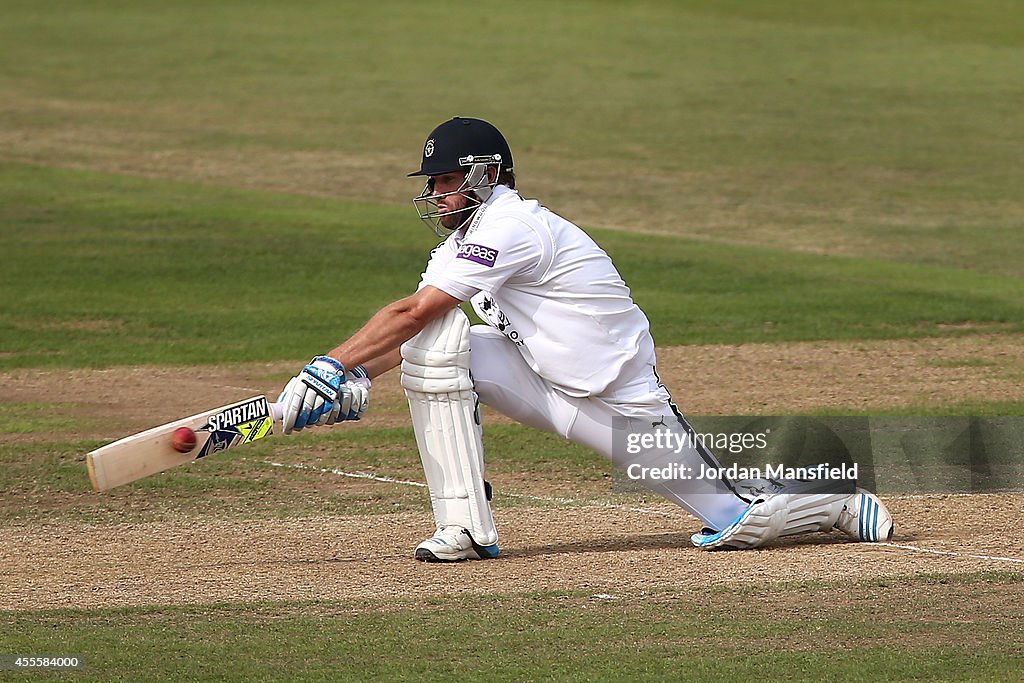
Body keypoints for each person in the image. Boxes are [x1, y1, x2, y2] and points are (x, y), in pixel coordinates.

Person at [277, 116, 895, 562]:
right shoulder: (463, 243)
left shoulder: (511, 226)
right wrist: (354, 377)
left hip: (618, 400)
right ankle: (465, 528)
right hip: (541, 378)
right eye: (432, 181)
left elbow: (412, 309)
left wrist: (330, 364)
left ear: (486, 174)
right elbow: (421, 326)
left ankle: (834, 501)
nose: (436, 193)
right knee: (442, 350)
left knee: (739, 523)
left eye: (446, 180)